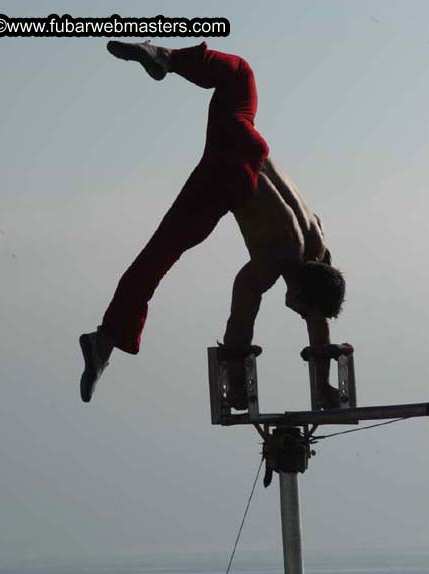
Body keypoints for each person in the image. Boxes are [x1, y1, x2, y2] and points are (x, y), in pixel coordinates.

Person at [80, 41, 345, 408]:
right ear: (301, 289)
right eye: (299, 307)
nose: (296, 311)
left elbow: (318, 316)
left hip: (248, 141)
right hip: (230, 178)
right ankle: (104, 342)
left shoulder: (316, 239)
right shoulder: (277, 260)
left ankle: (166, 58)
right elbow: (242, 316)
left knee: (239, 73)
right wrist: (236, 383)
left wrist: (324, 386)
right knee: (158, 255)